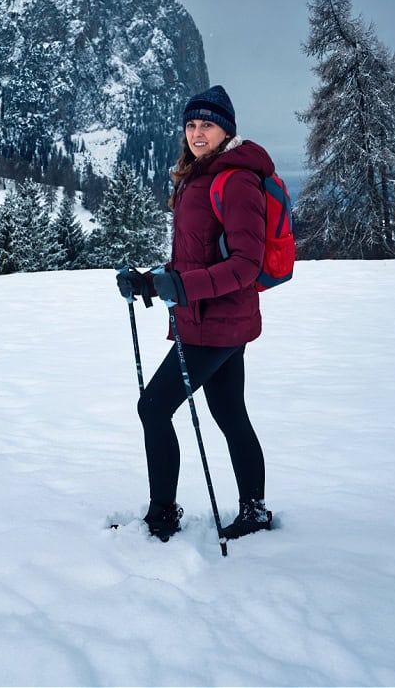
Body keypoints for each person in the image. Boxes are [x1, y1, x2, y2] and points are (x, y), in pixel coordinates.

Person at [116, 84, 274, 542]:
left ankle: (163, 514)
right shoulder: (196, 177)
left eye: (207, 125)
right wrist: (149, 282)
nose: (198, 133)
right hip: (211, 319)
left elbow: (246, 265)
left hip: (216, 324)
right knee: (229, 414)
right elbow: (194, 259)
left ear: (226, 131)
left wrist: (184, 288)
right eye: (191, 124)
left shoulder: (236, 180)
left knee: (153, 408)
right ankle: (254, 511)